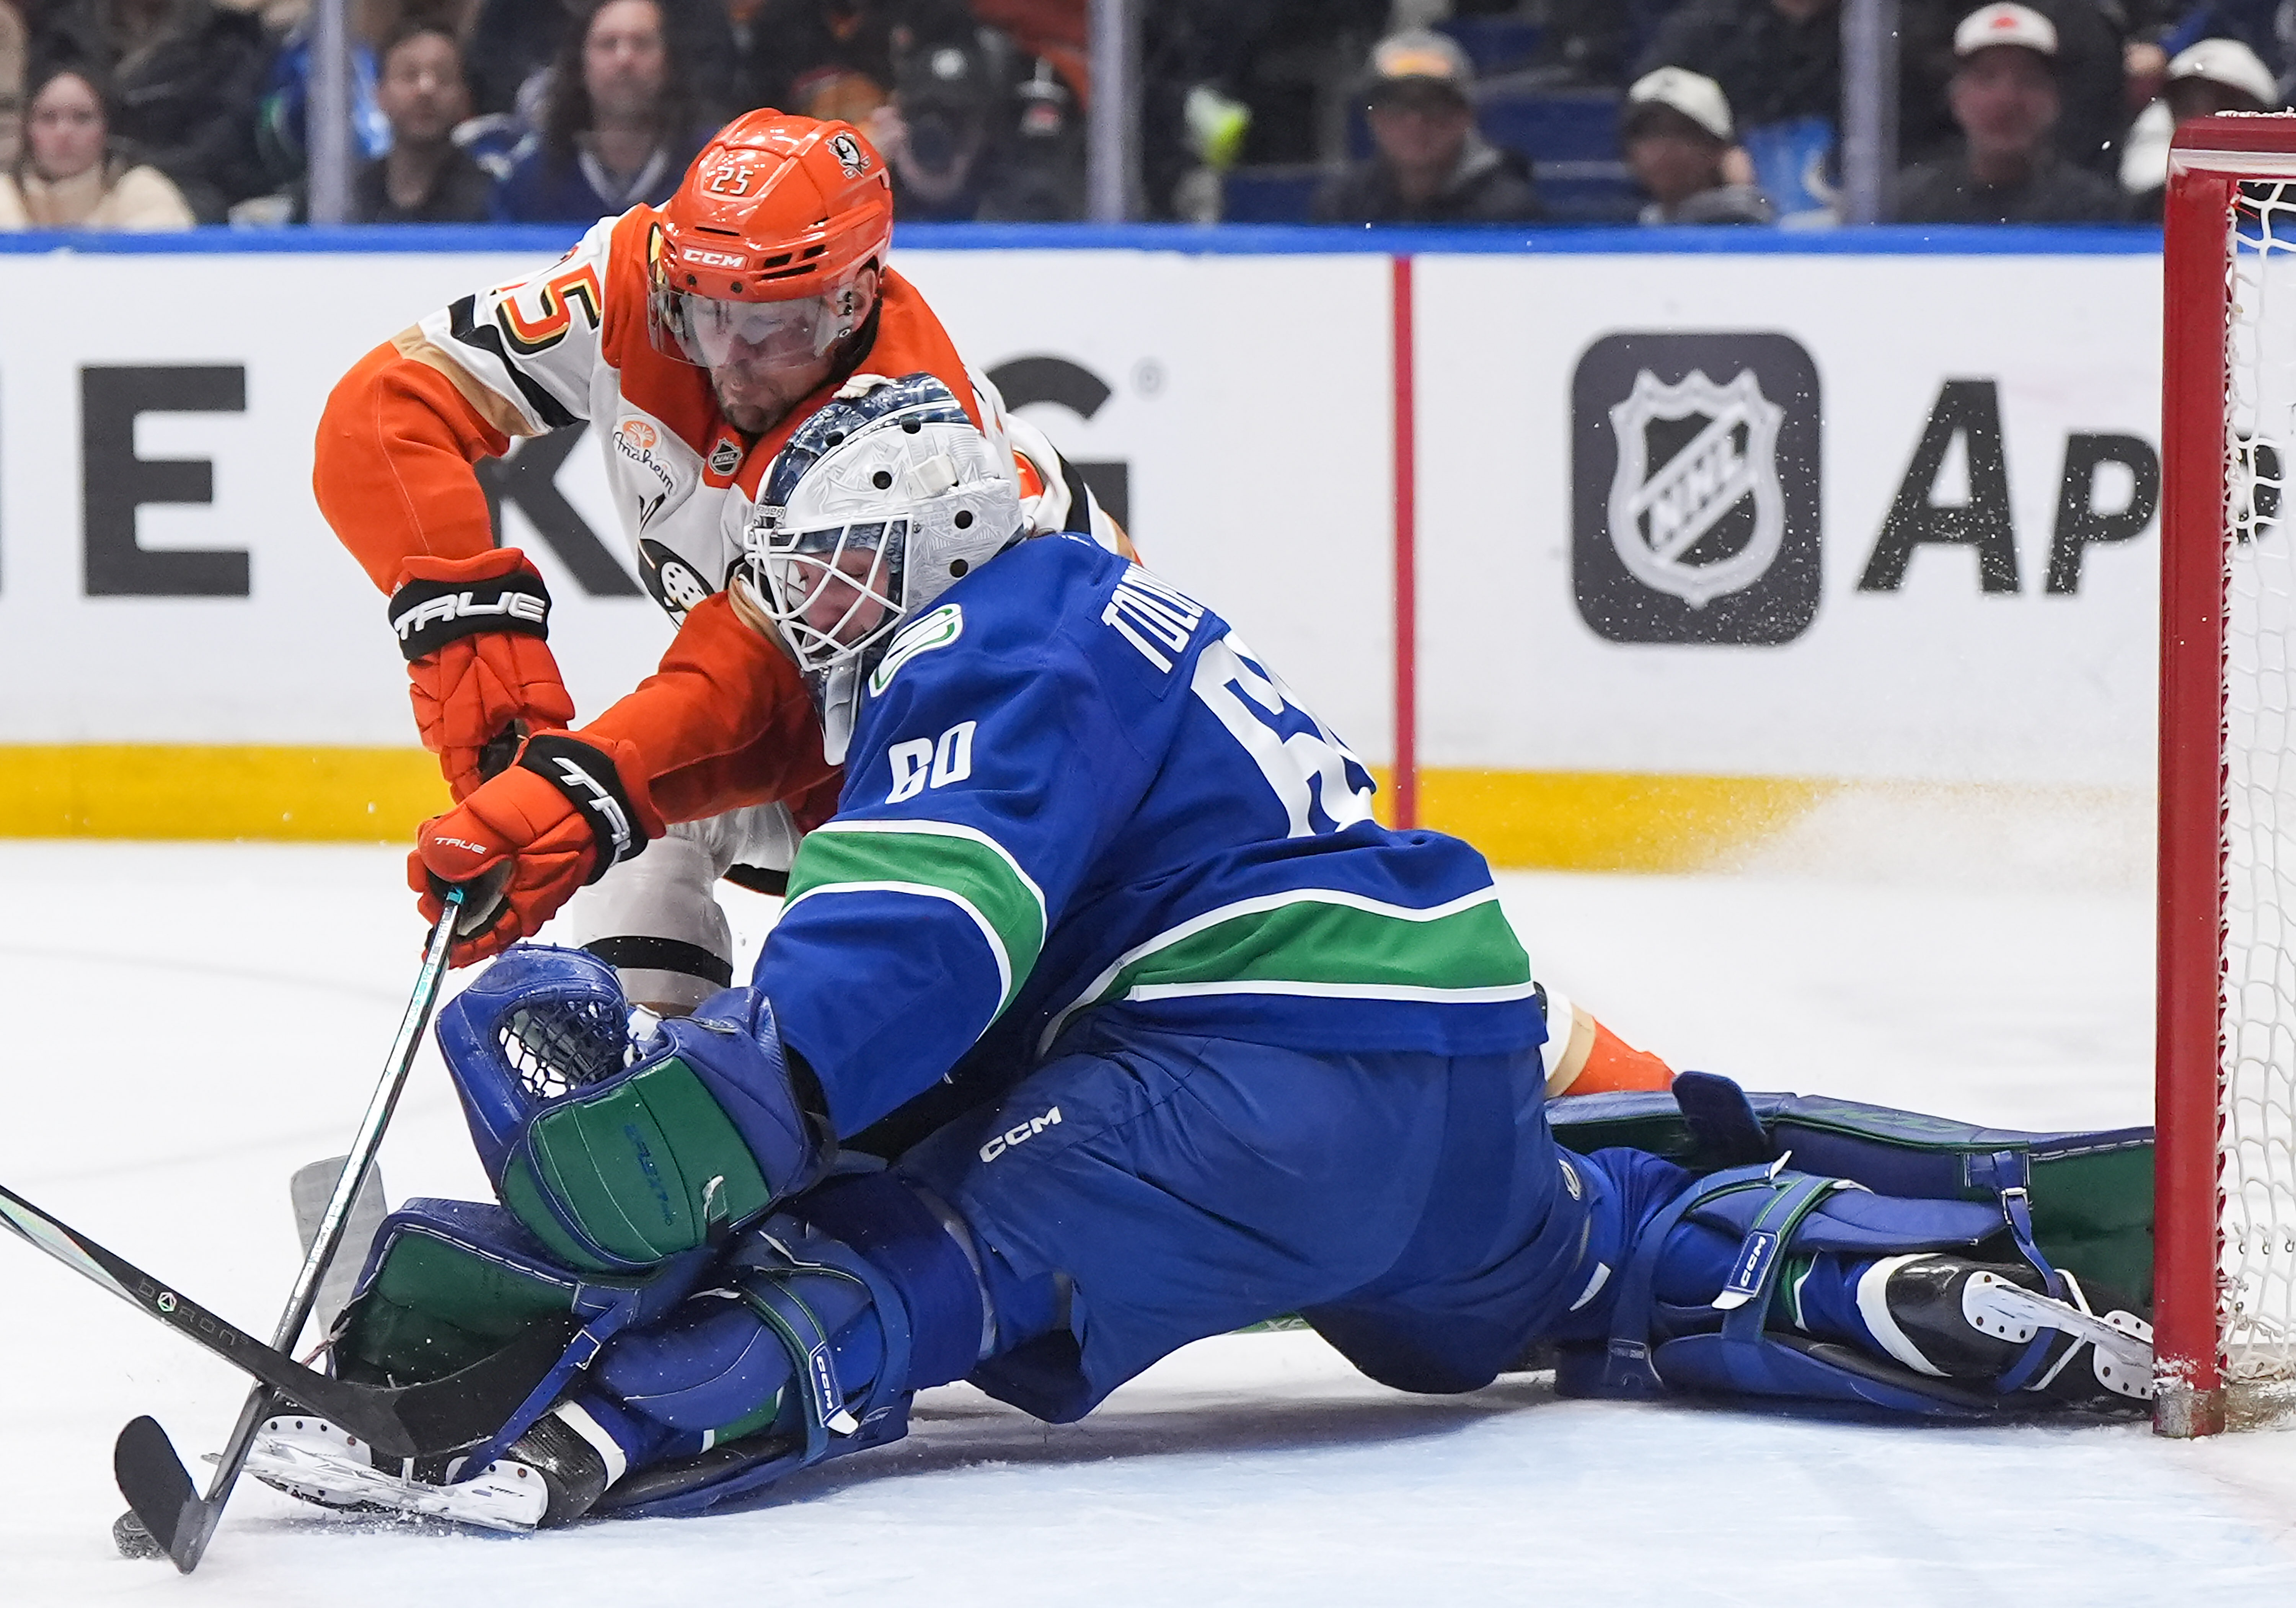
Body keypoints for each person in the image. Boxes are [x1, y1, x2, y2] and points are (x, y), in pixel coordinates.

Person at [248, 384, 2154, 1531]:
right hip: (1447, 1056)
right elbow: (1010, 959)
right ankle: (1883, 1289)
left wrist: (711, 1121)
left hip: (1242, 1088)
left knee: (922, 1257)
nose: (805, 603)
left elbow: (920, 946)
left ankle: (578, 1440)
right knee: (1582, 1270)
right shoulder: (1125, 607)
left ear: (939, 535)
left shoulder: (989, 634)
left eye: (834, 564)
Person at [313, 110, 1131, 1019]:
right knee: (642, 848)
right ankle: (644, 1117)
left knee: (876, 1073)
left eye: (772, 327)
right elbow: (383, 415)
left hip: (1007, 785)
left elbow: (754, 691)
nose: (730, 362)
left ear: (852, 301)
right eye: (710, 314)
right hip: (825, 731)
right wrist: (474, 660)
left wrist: (564, 795)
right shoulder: (644, 279)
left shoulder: (911, 441)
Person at [1895, 3, 2126, 223]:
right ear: (1955, 97)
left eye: (2028, 80)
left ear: (2055, 99)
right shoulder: (1910, 204)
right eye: (1987, 77)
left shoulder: (2093, 210)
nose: (2006, 100)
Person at [492, 0, 704, 223]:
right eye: (608, 44)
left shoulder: (710, 169)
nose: (625, 59)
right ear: (580, 62)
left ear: (670, 60)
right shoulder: (531, 178)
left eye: (642, 44)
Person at [1311, 27, 1540, 225]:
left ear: (1466, 116)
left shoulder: (1510, 213)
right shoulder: (1342, 205)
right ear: (1373, 118)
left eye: (1434, 106)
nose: (1415, 122)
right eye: (1396, 107)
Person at [0, 58, 192, 225]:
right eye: (48, 118)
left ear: (107, 128)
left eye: (82, 118)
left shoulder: (144, 193)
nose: (64, 133)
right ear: (27, 129)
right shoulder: (5, 195)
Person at [345, 19, 492, 222]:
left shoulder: (489, 200)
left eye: (443, 77)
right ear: (380, 95)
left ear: (464, 99)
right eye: (409, 75)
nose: (426, 89)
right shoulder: (350, 195)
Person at [2121, 36, 2280, 219]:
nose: (2200, 115)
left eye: (2223, 103)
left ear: (2259, 114)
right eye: (2185, 101)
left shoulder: (2284, 200)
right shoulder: (2145, 204)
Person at [1622, 65, 1774, 224]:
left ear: (1718, 148)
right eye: (1647, 133)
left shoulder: (1746, 219)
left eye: (1680, 133)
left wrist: (1741, 193)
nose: (1661, 149)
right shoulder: (1641, 222)